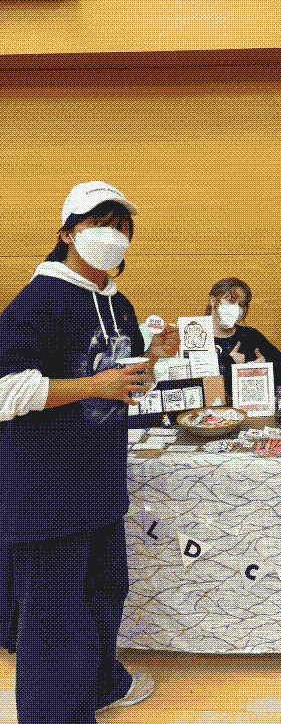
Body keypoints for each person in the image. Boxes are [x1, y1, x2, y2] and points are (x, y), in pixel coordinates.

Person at [0, 182, 180, 724]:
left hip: (97, 483)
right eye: (100, 224)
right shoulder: (41, 299)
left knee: (104, 593)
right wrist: (94, 387)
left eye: (123, 228)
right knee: (55, 619)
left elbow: (121, 381)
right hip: (45, 492)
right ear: (67, 233)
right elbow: (5, 390)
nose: (113, 237)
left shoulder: (116, 302)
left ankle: (101, 683)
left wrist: (152, 358)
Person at [205, 278, 281, 402]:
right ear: (213, 300)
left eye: (241, 305)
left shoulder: (250, 335)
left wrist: (262, 370)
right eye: (231, 300)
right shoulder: (196, 338)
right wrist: (233, 367)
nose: (236, 309)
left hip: (250, 413)